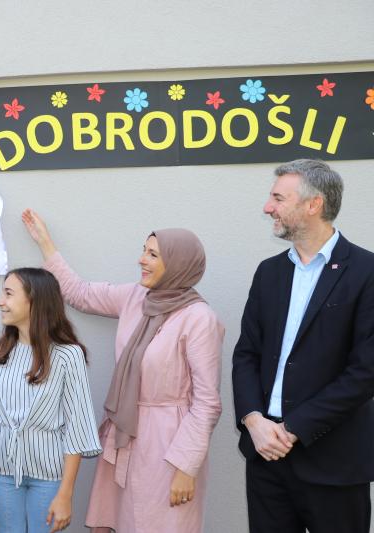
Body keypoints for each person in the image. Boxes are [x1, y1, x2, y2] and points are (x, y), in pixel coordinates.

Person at [22, 209, 224, 533]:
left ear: (178, 263)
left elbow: (207, 403)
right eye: (144, 251)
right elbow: (81, 294)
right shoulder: (135, 297)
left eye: (153, 254)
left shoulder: (199, 318)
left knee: (161, 524)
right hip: (124, 435)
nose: (142, 259)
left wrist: (186, 466)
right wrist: (45, 243)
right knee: (122, 521)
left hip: (168, 443)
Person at [232, 159, 374, 533]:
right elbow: (246, 354)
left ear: (314, 204)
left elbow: (365, 372)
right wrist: (253, 420)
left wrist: (294, 428)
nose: (268, 207)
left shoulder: (366, 271)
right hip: (266, 455)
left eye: (279, 198)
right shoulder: (269, 272)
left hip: (334, 460)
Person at [0, 267, 102, 533]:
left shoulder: (68, 356)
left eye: (8, 293)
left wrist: (65, 494)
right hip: (2, 472)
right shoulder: (2, 351)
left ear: (34, 300)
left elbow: (77, 429)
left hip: (48, 476)